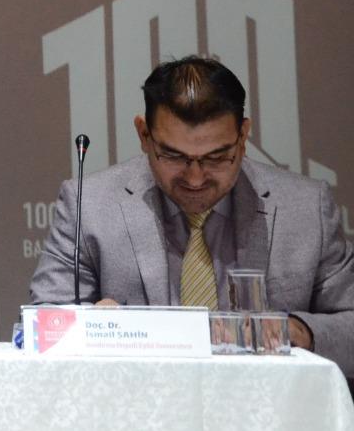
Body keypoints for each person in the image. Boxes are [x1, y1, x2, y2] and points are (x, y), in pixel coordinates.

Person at [30, 55, 354, 374]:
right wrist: (91, 326)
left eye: (216, 157)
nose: (195, 179)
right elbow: (42, 323)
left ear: (243, 137)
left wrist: (299, 331)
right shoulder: (90, 204)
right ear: (144, 135)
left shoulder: (306, 207)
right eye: (174, 156)